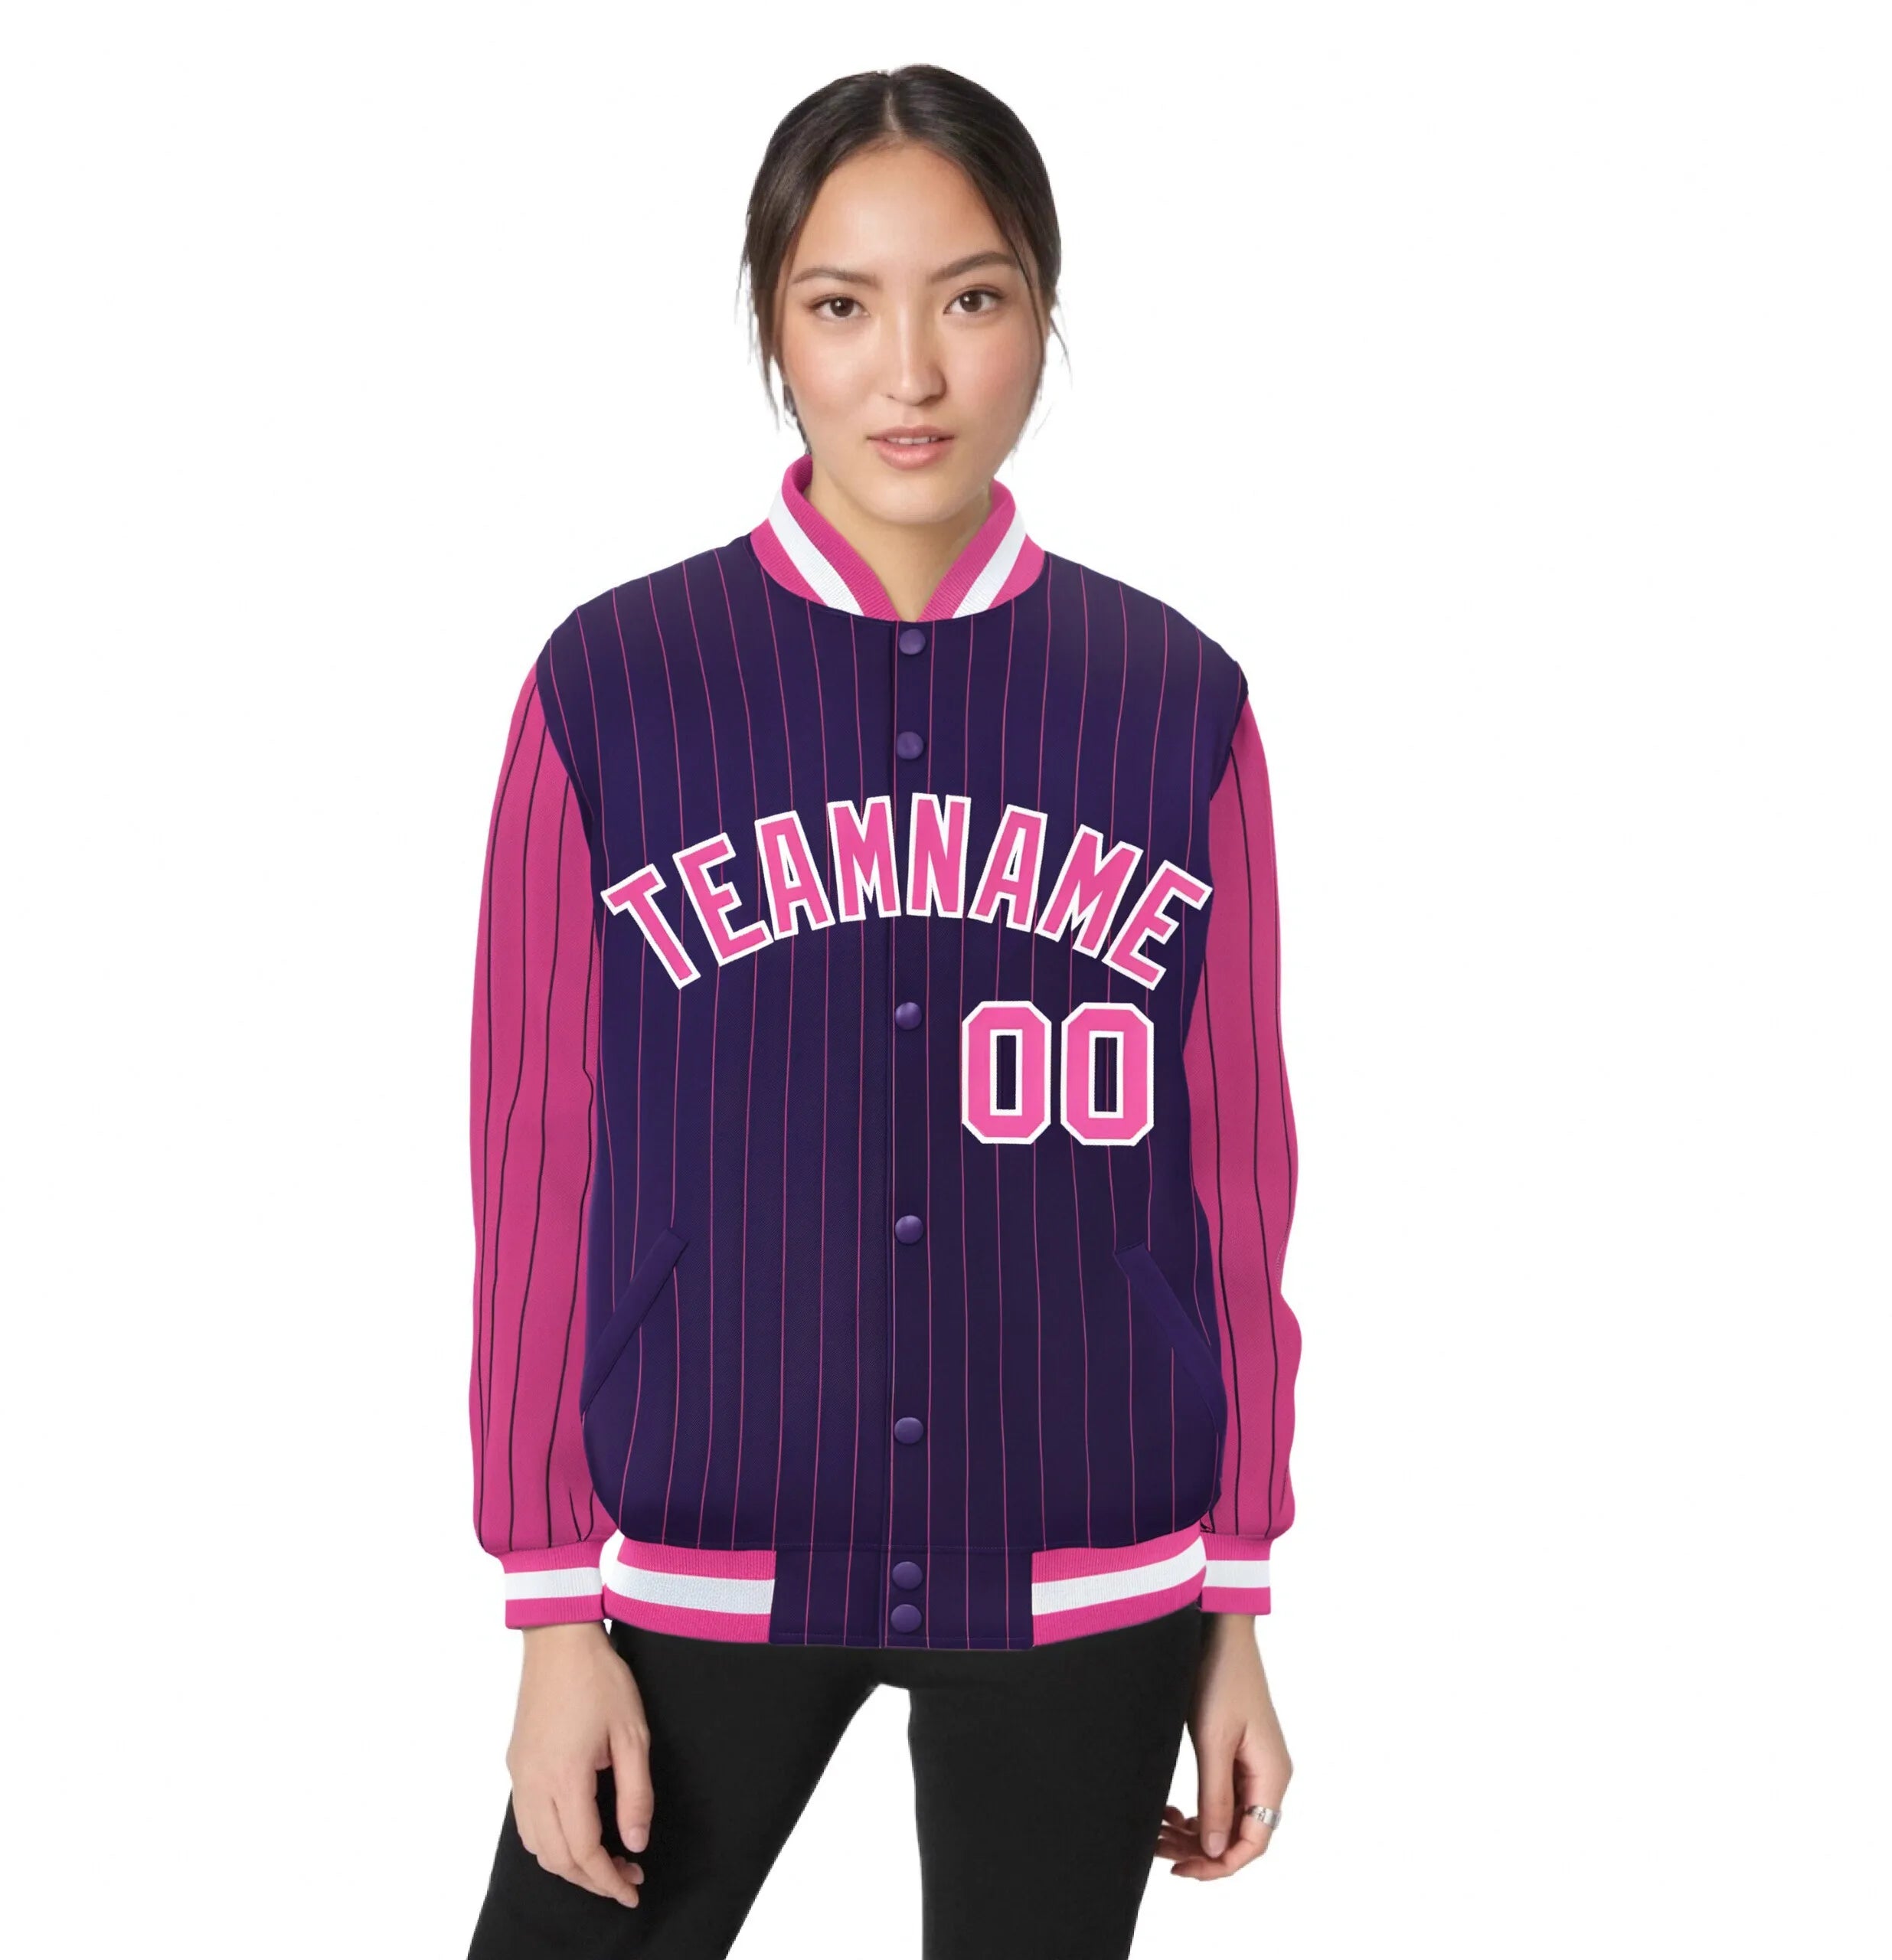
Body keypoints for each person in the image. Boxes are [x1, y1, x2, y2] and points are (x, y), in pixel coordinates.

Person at [464, 63, 1302, 1960]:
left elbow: (1234, 1171)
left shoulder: (1171, 700)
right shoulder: (618, 683)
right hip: (703, 1523)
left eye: (971, 296)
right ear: (772, 324)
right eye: (841, 303)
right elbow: (536, 1153)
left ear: (1042, 312)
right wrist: (548, 1598)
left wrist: (1234, 1592)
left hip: (1087, 1544)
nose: (908, 371)